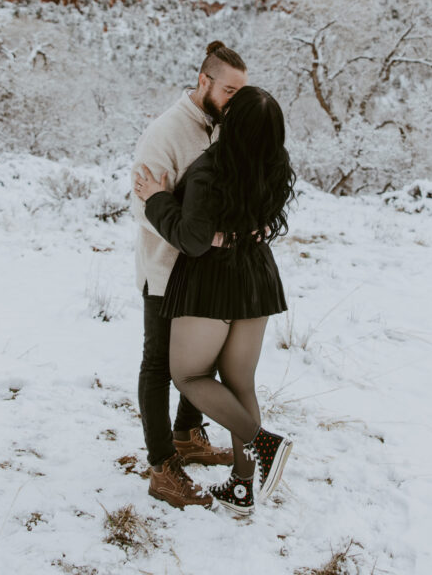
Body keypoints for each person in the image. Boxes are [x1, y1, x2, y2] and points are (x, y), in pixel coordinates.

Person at [134, 85, 296, 516]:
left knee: (188, 376)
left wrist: (156, 199)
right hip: (256, 276)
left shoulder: (210, 173)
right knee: (240, 382)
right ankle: (243, 488)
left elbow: (191, 239)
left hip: (211, 281)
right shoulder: (276, 164)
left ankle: (265, 443)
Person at [131, 41, 248, 509]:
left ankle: (188, 435)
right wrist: (201, 234)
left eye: (243, 91)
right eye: (229, 90)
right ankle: (161, 466)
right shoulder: (165, 133)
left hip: (209, 272)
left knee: (203, 362)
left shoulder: (223, 127)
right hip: (165, 271)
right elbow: (142, 207)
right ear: (204, 82)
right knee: (159, 364)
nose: (235, 100)